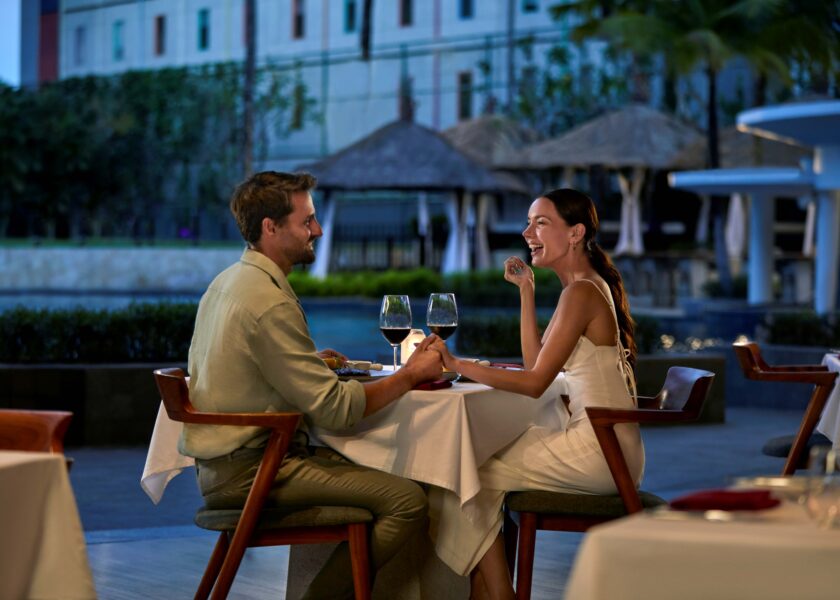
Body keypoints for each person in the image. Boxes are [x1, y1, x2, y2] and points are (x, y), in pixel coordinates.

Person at [180, 170, 442, 599]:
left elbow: (244, 363)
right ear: (271, 228)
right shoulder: (268, 301)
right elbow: (337, 411)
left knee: (383, 471)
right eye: (306, 221)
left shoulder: (228, 282)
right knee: (407, 500)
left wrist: (304, 363)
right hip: (254, 472)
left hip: (220, 466)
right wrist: (411, 375)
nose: (317, 230)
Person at [427, 188, 643, 600]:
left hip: (601, 454)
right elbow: (535, 367)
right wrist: (526, 292)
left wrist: (454, 365)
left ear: (576, 232)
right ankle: (488, 593)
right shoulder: (581, 288)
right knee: (472, 466)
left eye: (541, 222)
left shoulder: (581, 292)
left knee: (465, 473)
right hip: (612, 448)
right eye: (528, 222)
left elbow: (533, 385)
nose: (527, 232)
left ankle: (496, 595)